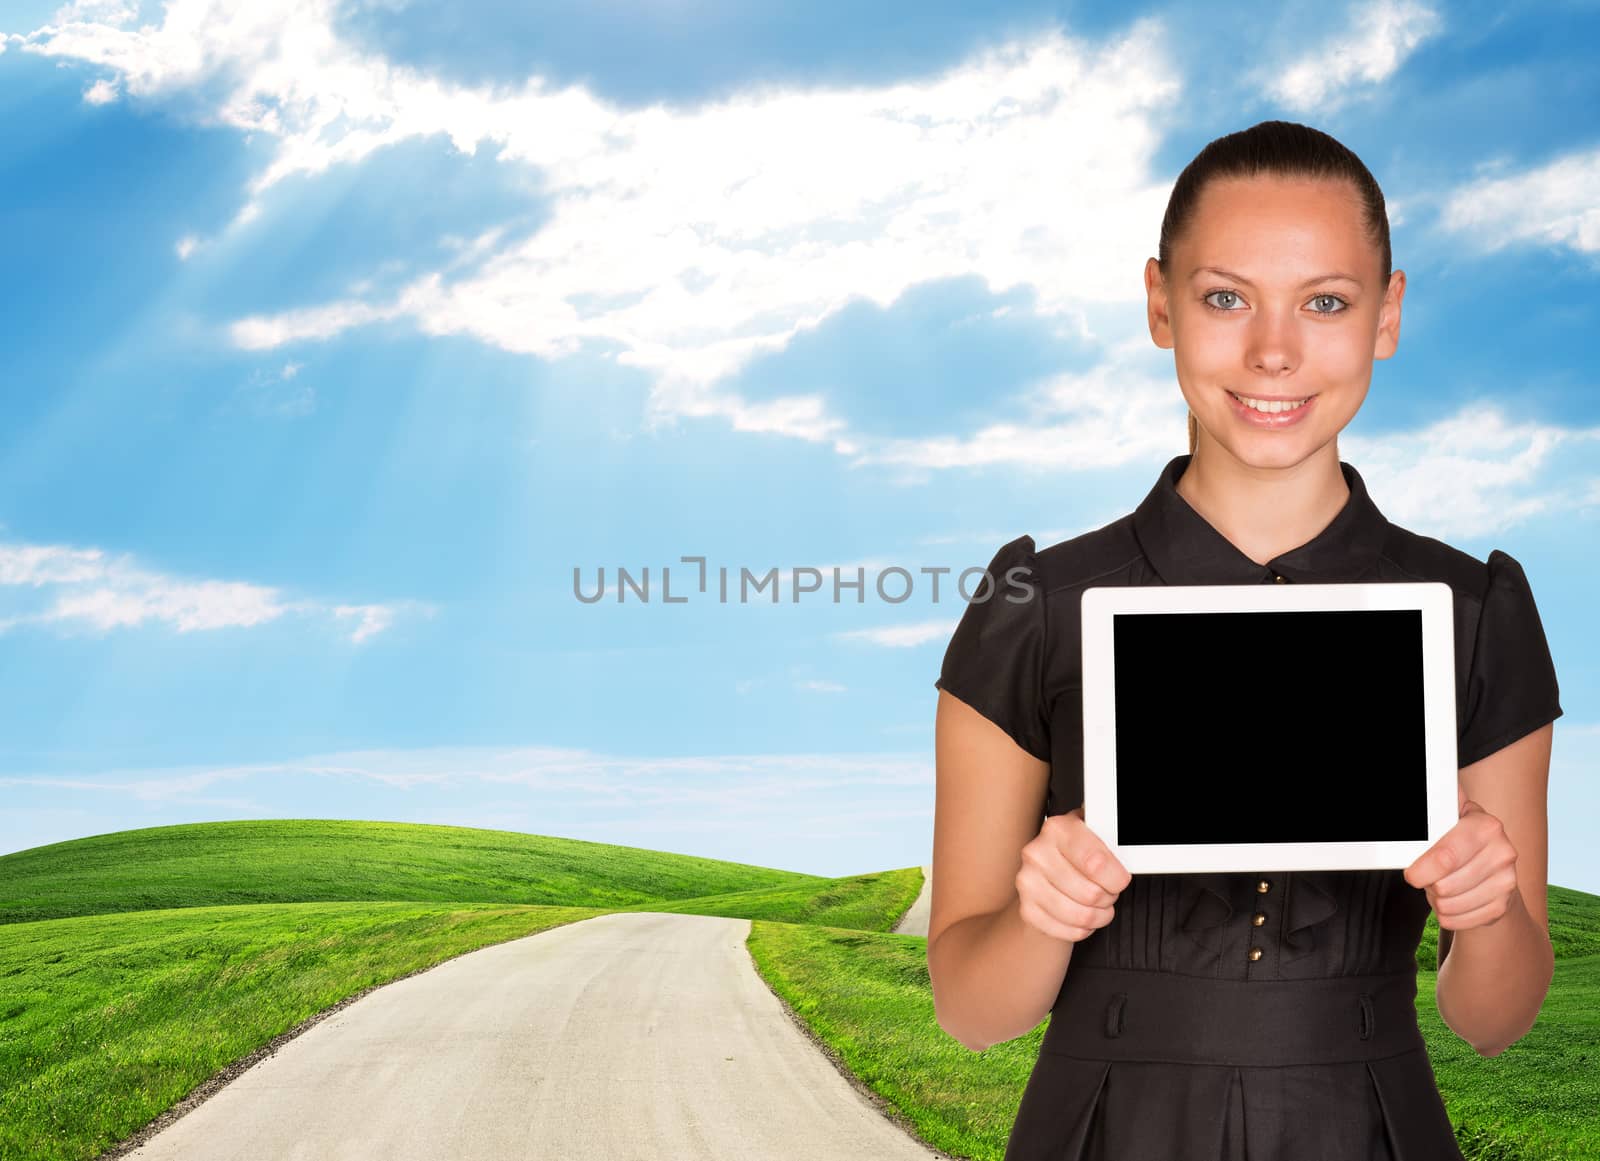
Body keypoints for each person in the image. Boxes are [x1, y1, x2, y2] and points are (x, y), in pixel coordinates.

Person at [927, 119, 1564, 1161]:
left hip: (1368, 1125)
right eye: (1225, 297)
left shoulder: (1474, 610)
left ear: (1387, 314)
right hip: (1101, 1131)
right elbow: (969, 1011)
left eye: (1325, 302)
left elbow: (1493, 1020)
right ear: (1158, 305)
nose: (1274, 351)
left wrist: (1485, 911)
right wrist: (1043, 912)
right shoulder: (1031, 600)